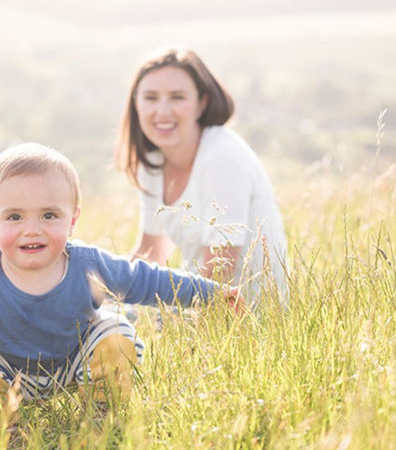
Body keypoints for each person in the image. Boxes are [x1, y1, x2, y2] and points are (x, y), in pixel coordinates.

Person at [0, 143, 243, 432]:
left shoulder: (87, 264)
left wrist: (208, 293)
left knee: (115, 332)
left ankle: (101, 410)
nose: (32, 229)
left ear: (73, 220)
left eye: (49, 215)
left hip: (74, 366)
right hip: (6, 369)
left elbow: (146, 279)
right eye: (14, 216)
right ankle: (0, 423)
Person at [114, 47, 288, 309]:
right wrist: (104, 294)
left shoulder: (222, 157)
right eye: (150, 97)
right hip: (194, 301)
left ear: (201, 103)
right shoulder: (152, 163)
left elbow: (220, 268)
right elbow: (151, 253)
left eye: (177, 97)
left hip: (248, 313)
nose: (162, 111)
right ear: (136, 103)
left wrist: (172, 325)